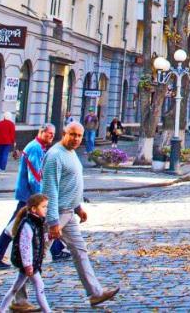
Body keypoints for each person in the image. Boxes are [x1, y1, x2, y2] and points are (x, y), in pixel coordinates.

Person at [43, 122, 119, 307]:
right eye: (73, 134)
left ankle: (95, 293)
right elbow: (50, 190)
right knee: (36, 255)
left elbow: (71, 184)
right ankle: (19, 298)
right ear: (63, 133)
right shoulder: (54, 156)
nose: (76, 139)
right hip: (57, 213)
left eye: (79, 135)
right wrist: (53, 222)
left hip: (69, 213)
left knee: (79, 251)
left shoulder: (71, 153)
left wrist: (78, 208)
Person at [0, 123, 67, 271]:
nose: (51, 136)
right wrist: (40, 197)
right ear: (41, 132)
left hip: (29, 195)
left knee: (42, 223)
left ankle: (57, 250)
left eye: (53, 134)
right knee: (14, 226)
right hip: (29, 197)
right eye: (49, 133)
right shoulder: (35, 148)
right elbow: (35, 176)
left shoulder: (38, 147)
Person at [0, 194, 51, 313]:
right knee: (40, 287)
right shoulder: (28, 225)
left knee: (15, 289)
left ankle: (1, 310)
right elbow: (25, 247)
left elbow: (38, 240)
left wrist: (49, 236)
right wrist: (28, 265)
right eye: (44, 207)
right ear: (34, 209)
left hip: (31, 263)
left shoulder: (37, 223)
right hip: (29, 264)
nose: (46, 209)